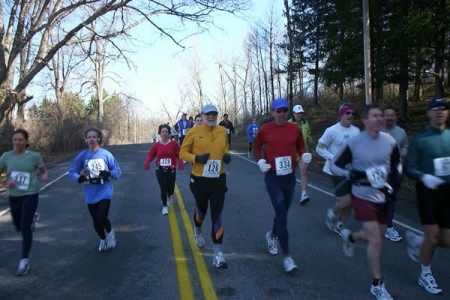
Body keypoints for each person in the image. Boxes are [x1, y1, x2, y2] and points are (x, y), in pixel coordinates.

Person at [330, 104, 400, 300]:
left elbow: (396, 165)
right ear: (365, 120)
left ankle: (351, 237)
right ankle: (377, 284)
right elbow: (334, 165)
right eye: (375, 116)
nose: (380, 119)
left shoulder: (389, 140)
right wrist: (350, 173)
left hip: (383, 196)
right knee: (376, 240)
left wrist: (393, 182)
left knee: (376, 236)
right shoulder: (355, 142)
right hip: (362, 196)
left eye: (381, 116)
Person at [253, 98, 311, 273]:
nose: (282, 114)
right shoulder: (265, 129)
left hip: (289, 177)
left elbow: (300, 146)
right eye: (278, 111)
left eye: (285, 110)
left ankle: (271, 235)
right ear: (272, 112)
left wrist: (305, 154)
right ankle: (287, 256)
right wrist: (261, 160)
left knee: (282, 213)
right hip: (273, 177)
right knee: (282, 215)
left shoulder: (295, 129)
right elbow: (256, 147)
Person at [404, 96, 450, 295]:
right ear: (428, 113)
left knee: (447, 240)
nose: (440, 111)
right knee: (432, 236)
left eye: (444, 108)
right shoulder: (421, 139)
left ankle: (419, 242)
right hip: (427, 190)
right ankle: (425, 274)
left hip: (448, 191)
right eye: (435, 108)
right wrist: (424, 177)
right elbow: (409, 168)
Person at [179, 103, 232, 269]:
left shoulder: (223, 131)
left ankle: (218, 255)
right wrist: (196, 159)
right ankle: (198, 229)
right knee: (201, 212)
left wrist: (226, 157)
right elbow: (182, 153)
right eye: (208, 114)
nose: (211, 117)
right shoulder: (193, 132)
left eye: (214, 114)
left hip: (218, 179)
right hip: (199, 179)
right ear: (201, 115)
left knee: (217, 215)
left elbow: (225, 149)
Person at [0, 129, 49, 276]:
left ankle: (23, 261)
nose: (17, 142)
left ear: (26, 141)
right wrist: (6, 181)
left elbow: (43, 169)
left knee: (25, 225)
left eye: (20, 139)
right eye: (15, 139)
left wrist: (45, 175)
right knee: (18, 225)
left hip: (30, 193)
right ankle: (32, 218)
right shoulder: (6, 156)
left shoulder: (34, 156)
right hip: (14, 195)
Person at [68, 127, 121, 252]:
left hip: (104, 189)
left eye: (94, 137)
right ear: (86, 140)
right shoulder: (83, 156)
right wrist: (78, 178)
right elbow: (72, 171)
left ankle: (110, 234)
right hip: (90, 191)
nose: (91, 139)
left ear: (98, 139)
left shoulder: (106, 154)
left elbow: (117, 171)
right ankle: (103, 238)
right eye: (89, 137)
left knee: (101, 217)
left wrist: (108, 173)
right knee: (96, 222)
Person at [316, 102, 360, 235]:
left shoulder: (356, 131)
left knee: (353, 201)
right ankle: (332, 212)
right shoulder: (331, 130)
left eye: (352, 113)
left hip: (351, 170)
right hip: (335, 170)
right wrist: (332, 157)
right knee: (348, 199)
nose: (350, 115)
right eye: (348, 113)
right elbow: (319, 147)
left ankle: (339, 224)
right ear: (341, 114)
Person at [381, 106, 408, 242]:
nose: (390, 118)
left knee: (390, 200)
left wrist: (404, 151)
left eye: (392, 115)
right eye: (387, 115)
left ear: (396, 117)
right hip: (379, 173)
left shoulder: (401, 132)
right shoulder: (377, 130)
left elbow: (405, 146)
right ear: (383, 117)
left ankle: (389, 228)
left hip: (396, 172)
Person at [144, 124, 184, 215]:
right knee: (163, 188)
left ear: (169, 133)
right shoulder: (157, 145)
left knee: (171, 189)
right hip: (160, 169)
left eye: (166, 131)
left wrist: (180, 162)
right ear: (160, 133)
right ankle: (164, 206)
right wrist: (147, 162)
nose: (164, 133)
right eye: (162, 131)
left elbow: (179, 154)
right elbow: (151, 155)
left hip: (171, 170)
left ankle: (170, 196)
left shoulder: (173, 144)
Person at [289, 105, 313, 204]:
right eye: (298, 113)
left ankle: (304, 194)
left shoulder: (305, 123)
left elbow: (308, 133)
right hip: (291, 151)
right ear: (293, 113)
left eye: (301, 113)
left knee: (303, 172)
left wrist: (309, 137)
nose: (300, 115)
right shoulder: (288, 124)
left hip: (303, 151)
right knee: (289, 173)